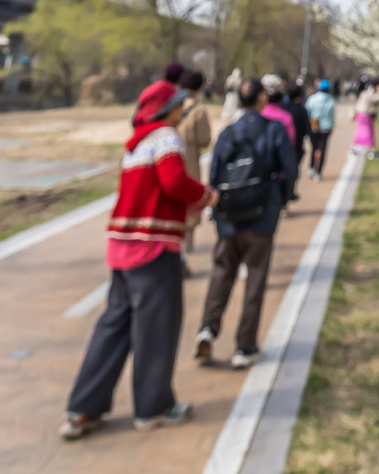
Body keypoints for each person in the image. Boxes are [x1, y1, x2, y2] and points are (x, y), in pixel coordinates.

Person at [61, 79, 216, 440]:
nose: (183, 109)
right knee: (156, 329)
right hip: (153, 246)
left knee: (113, 326)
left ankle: (83, 408)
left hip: (122, 245)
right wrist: (207, 196)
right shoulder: (165, 137)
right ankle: (153, 407)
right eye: (179, 104)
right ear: (167, 110)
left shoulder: (136, 144)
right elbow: (174, 182)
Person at [193, 79, 296, 370]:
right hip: (261, 215)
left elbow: (213, 174)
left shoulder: (227, 134)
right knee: (256, 277)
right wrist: (282, 200)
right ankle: (244, 346)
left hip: (228, 217)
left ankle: (208, 329)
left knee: (222, 271)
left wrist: (219, 207)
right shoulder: (273, 130)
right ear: (262, 98)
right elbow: (288, 169)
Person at [174, 69, 211, 275]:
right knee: (190, 209)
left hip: (168, 163)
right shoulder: (198, 110)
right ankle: (184, 252)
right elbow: (205, 140)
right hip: (189, 163)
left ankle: (179, 256)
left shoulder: (170, 106)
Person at [304, 80, 336, 180]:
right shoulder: (331, 100)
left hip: (314, 124)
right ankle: (318, 172)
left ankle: (312, 167)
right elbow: (332, 116)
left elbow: (307, 111)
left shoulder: (312, 98)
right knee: (322, 149)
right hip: (326, 126)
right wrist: (332, 127)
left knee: (314, 147)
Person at [353, 78, 379, 159]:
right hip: (365, 115)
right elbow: (376, 99)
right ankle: (372, 151)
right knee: (369, 133)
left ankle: (355, 148)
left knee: (361, 131)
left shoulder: (364, 93)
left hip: (361, 115)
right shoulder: (368, 93)